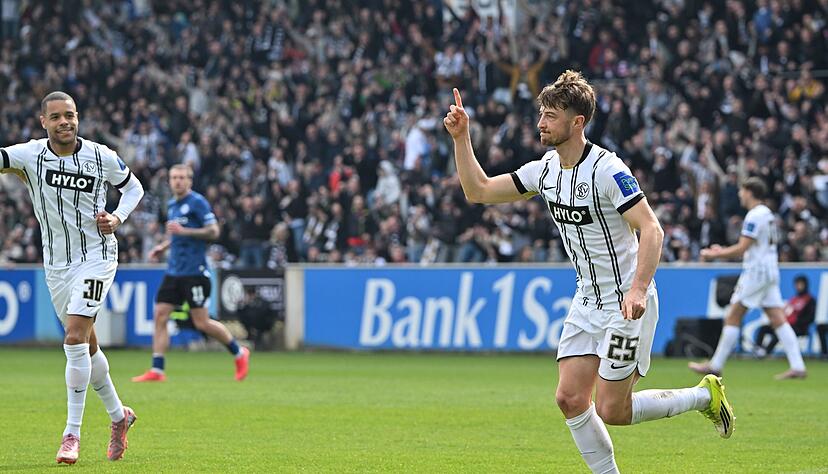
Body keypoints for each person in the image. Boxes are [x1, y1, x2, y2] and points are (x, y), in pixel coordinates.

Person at [444, 71, 734, 474]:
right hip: (586, 300)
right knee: (569, 398)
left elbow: (652, 229)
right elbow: (479, 190)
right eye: (541, 114)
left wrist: (638, 289)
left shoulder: (607, 169)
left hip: (626, 303)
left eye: (550, 116)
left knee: (613, 410)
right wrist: (462, 138)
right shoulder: (545, 170)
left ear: (577, 122)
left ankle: (704, 396)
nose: (541, 123)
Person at [0, 91, 143, 464]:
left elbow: (134, 187)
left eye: (70, 115)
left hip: (97, 256)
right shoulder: (30, 155)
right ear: (43, 122)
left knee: (74, 337)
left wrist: (117, 217)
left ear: (77, 118)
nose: (65, 122)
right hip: (57, 266)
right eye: (57, 117)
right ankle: (119, 416)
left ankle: (71, 435)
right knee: (87, 345)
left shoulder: (100, 155)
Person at [132, 164, 250, 382]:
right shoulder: (172, 204)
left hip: (195, 272)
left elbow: (214, 231)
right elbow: (177, 234)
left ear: (190, 181)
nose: (177, 181)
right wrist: (163, 247)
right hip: (174, 271)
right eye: (174, 177)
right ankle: (157, 369)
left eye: (182, 177)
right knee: (160, 315)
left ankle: (238, 352)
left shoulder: (197, 202)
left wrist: (185, 231)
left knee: (201, 323)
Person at [689, 177, 807, 380]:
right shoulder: (767, 213)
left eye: (742, 191)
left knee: (733, 315)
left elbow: (743, 247)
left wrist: (715, 254)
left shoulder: (754, 215)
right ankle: (798, 366)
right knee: (777, 318)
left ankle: (715, 365)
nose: (739, 195)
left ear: (750, 192)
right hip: (770, 270)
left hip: (756, 272)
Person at [753, 275, 815, 358]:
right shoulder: (794, 299)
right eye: (797, 284)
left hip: (799, 327)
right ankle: (758, 350)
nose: (798, 286)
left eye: (800, 284)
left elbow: (810, 318)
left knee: (780, 332)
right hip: (786, 324)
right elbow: (785, 313)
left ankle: (766, 352)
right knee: (764, 328)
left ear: (805, 285)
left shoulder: (810, 300)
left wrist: (796, 321)